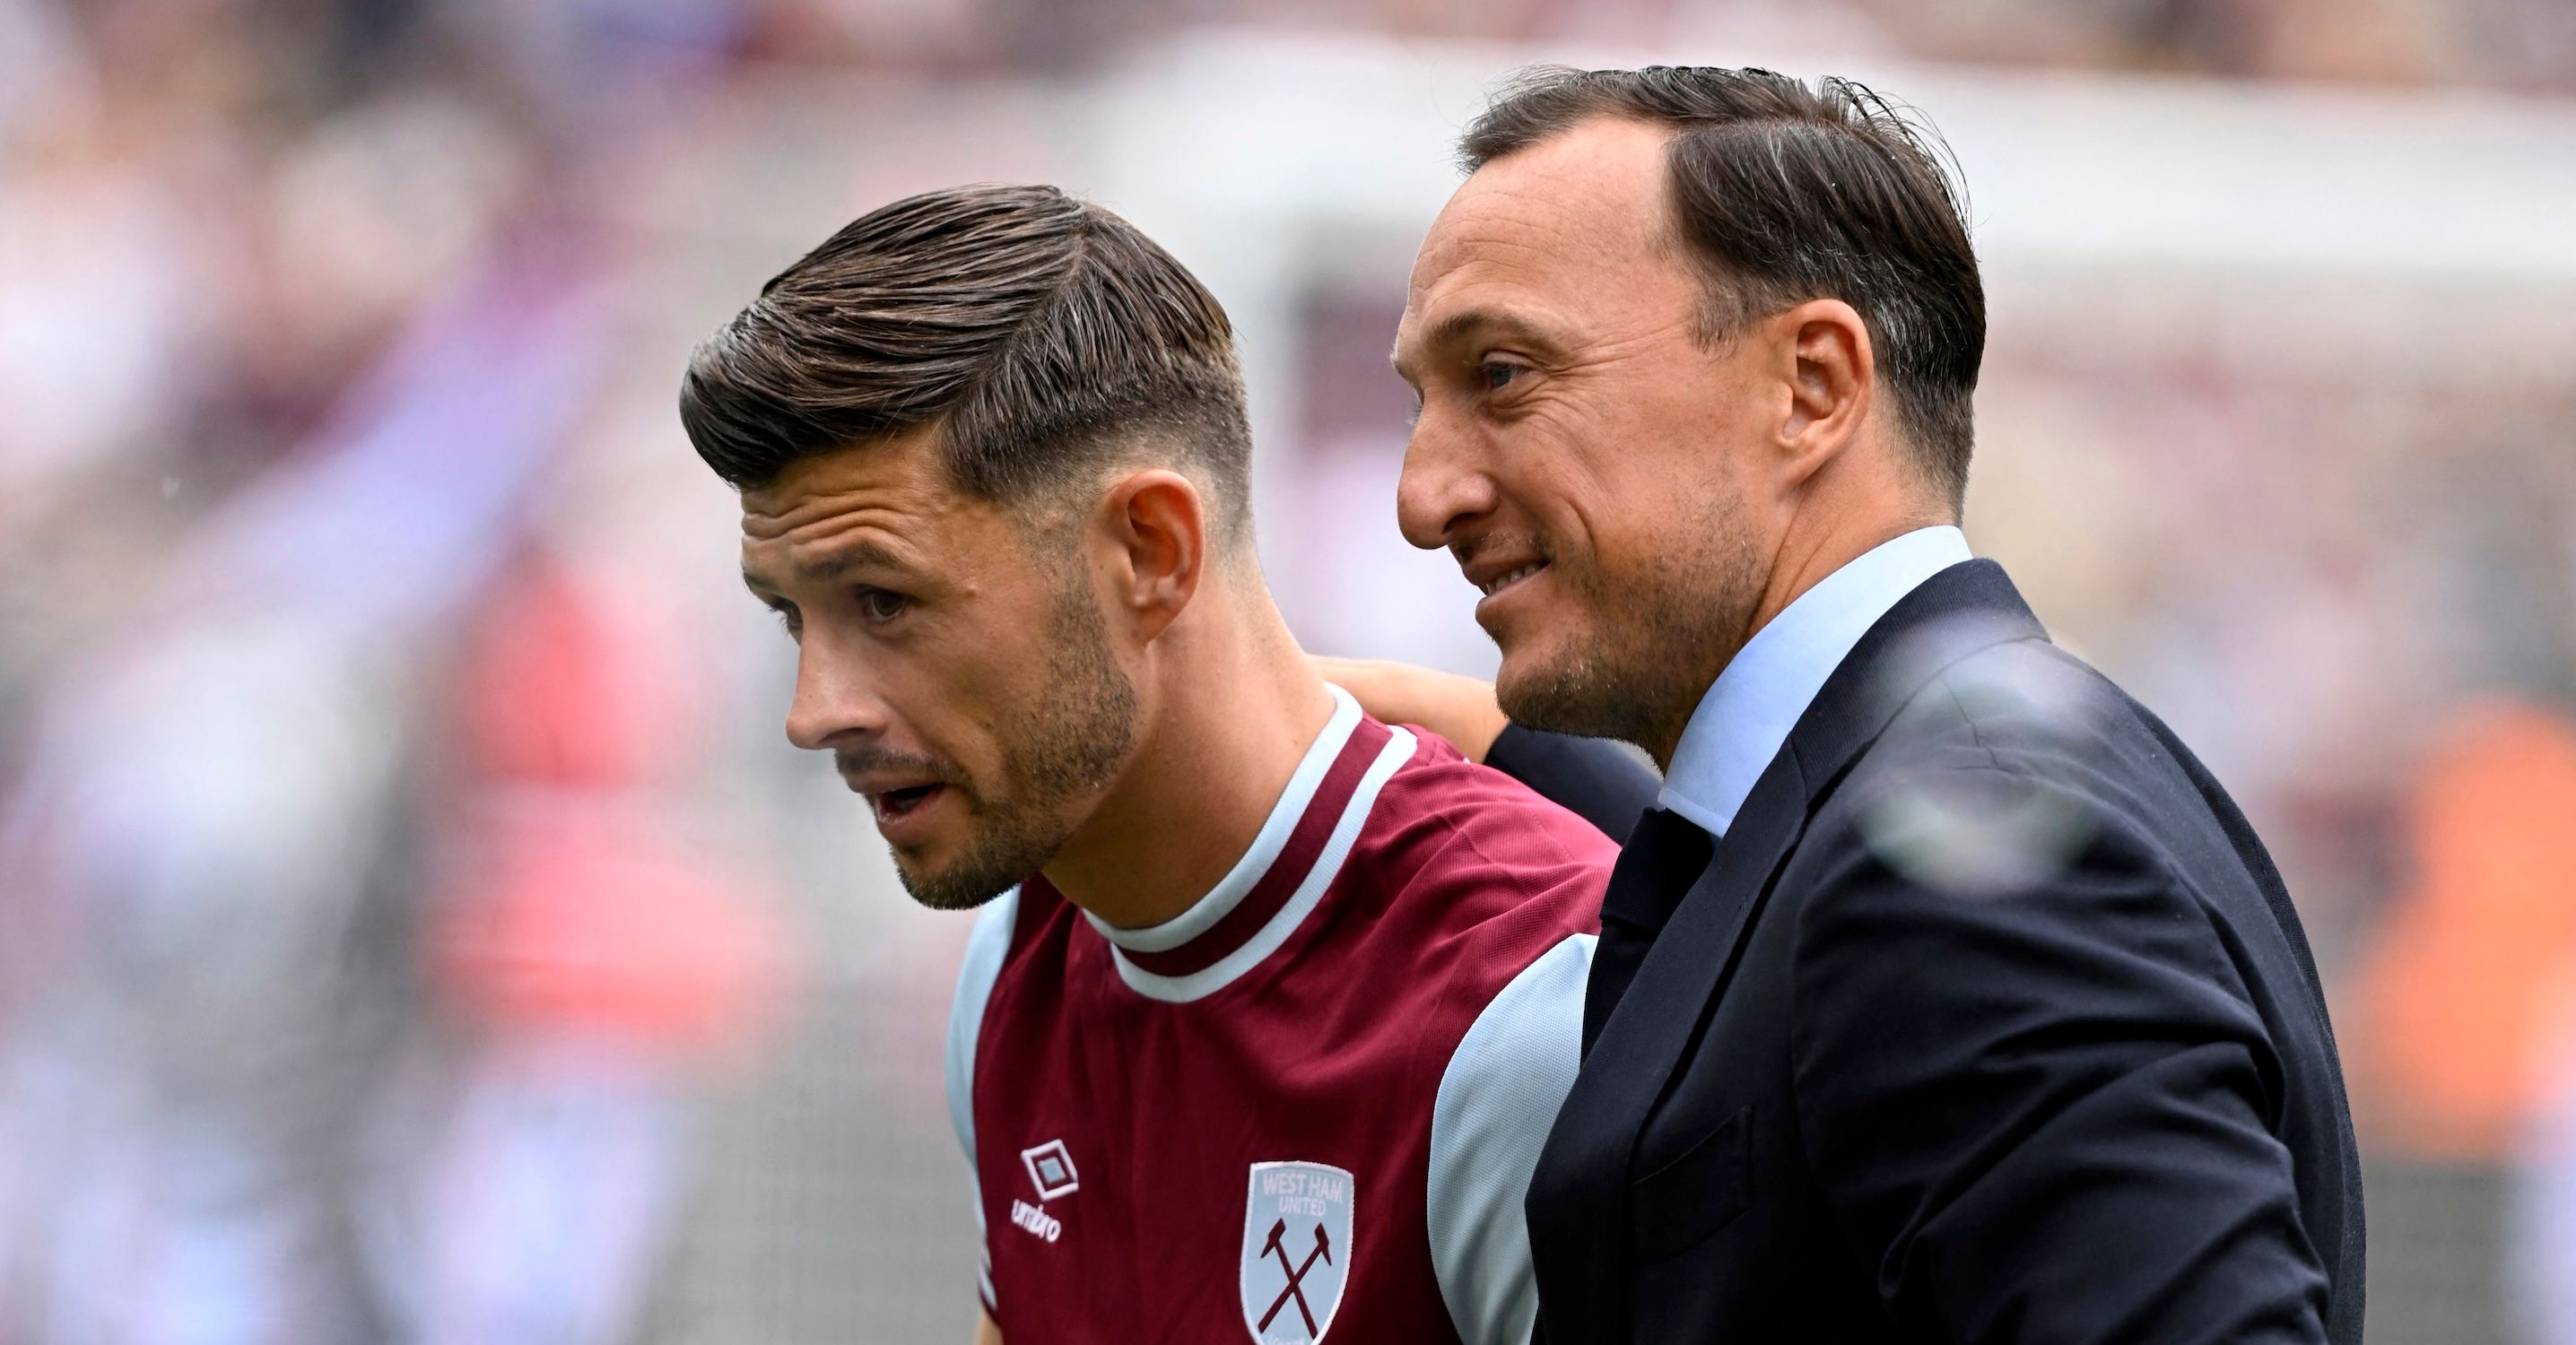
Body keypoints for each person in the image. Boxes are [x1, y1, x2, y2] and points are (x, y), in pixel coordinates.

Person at [1333, 65, 2364, 1343]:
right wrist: (1490, 750)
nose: (1422, 496)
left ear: (1811, 387)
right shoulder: (1928, 806)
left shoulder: (1971, 869)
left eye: (1502, 375)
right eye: (1420, 403)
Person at [677, 185, 1645, 1345]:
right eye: (794, 618)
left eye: (884, 604)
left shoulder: (1535, 1020)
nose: (815, 713)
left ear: (1150, 551)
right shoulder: (1011, 966)